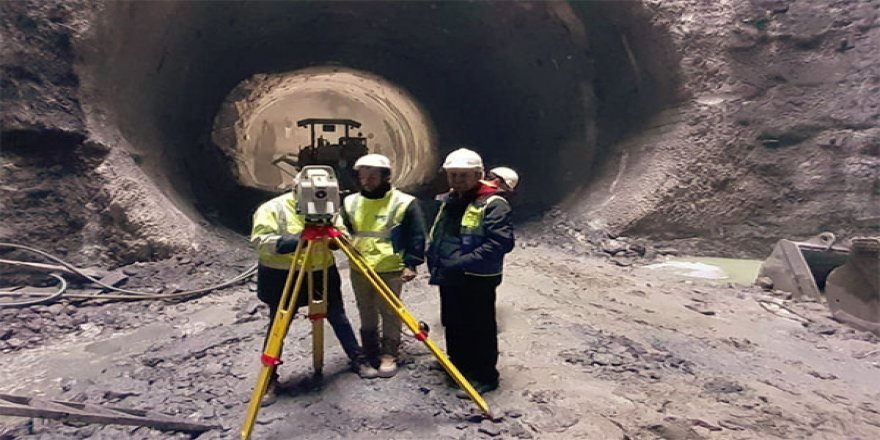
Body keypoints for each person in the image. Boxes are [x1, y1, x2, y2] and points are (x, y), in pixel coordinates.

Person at [250, 174, 363, 406]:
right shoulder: (273, 209)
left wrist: (334, 238)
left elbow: (343, 236)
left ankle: (357, 357)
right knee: (278, 326)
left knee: (338, 316)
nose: (317, 197)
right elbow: (262, 241)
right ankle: (269, 378)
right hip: (284, 277)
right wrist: (298, 241)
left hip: (321, 273)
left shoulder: (328, 207)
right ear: (296, 189)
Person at [426, 148, 515, 396]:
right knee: (453, 322)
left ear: (479, 175)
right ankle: (458, 365)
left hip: (478, 278)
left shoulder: (493, 204)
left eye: (463, 175)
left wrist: (461, 262)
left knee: (479, 327)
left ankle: (485, 376)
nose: (457, 180)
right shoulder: (451, 200)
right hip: (450, 275)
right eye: (453, 174)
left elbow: (500, 243)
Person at [341, 153, 426, 379]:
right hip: (360, 265)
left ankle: (389, 353)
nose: (366, 181)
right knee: (365, 308)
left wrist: (411, 263)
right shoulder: (350, 202)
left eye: (372, 176)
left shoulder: (403, 202)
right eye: (363, 176)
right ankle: (370, 350)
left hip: (390, 265)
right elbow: (343, 229)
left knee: (390, 310)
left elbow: (417, 235)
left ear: (385, 177)